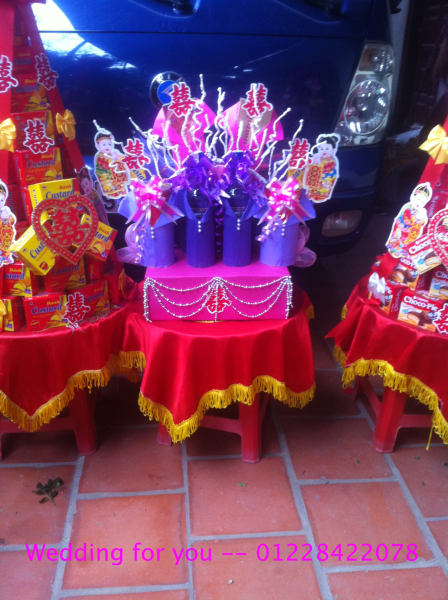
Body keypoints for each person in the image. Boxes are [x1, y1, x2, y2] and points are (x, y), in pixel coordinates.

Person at [386, 182, 431, 259]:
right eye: (418, 199)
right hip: (401, 230)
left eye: (422, 202)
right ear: (413, 196)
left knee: (407, 245)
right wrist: (417, 218)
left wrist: (422, 217)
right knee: (398, 244)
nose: (419, 203)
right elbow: (407, 221)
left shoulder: (420, 211)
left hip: (409, 234)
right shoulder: (407, 208)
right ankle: (395, 252)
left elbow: (422, 223)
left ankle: (404, 253)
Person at [93, 127, 130, 208]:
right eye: (104, 144)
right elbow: (105, 165)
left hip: (116, 179)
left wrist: (118, 159)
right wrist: (114, 159)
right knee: (113, 192)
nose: (107, 146)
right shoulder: (100, 156)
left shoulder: (111, 154)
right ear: (98, 145)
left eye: (109, 144)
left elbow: (121, 161)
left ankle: (121, 194)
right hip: (107, 180)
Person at [304, 134, 339, 203]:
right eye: (321, 148)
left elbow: (326, 168)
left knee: (320, 194)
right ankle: (311, 194)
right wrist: (311, 163)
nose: (324, 151)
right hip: (316, 181)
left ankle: (319, 196)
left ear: (333, 150)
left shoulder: (332, 160)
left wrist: (318, 163)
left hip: (325, 182)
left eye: (327, 148)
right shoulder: (320, 158)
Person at [0, 181, 17, 266]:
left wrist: (7, 218)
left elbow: (12, 222)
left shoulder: (5, 213)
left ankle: (5, 257)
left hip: (5, 241)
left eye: (2, 200)